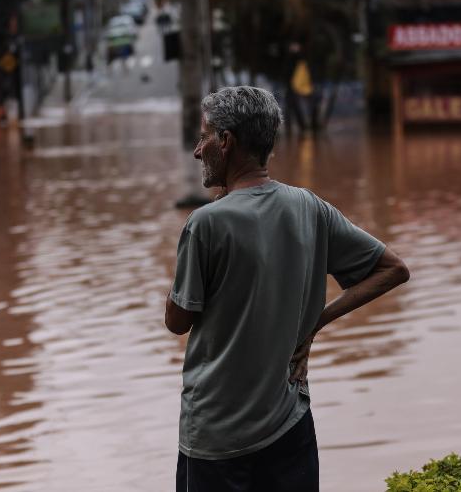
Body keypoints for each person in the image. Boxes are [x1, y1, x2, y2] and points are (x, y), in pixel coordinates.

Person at [165, 86, 409, 492]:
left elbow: (177, 321)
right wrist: (315, 322)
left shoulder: (206, 224)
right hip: (289, 424)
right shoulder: (308, 207)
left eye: (205, 136)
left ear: (226, 143)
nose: (197, 150)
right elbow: (392, 269)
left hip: (216, 434)